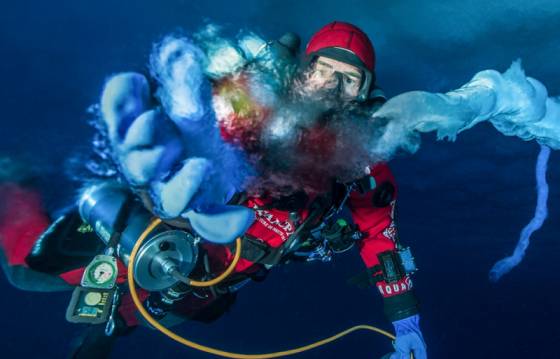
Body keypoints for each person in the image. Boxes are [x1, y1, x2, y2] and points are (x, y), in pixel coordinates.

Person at [0, 21, 427, 359]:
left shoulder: (362, 163)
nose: (333, 88)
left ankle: (108, 332)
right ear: (303, 73)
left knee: (152, 317)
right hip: (159, 238)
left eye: (349, 80)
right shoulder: (257, 106)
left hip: (213, 280)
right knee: (25, 273)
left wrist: (406, 323)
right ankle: (12, 181)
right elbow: (204, 123)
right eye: (324, 72)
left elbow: (382, 242)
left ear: (365, 94)